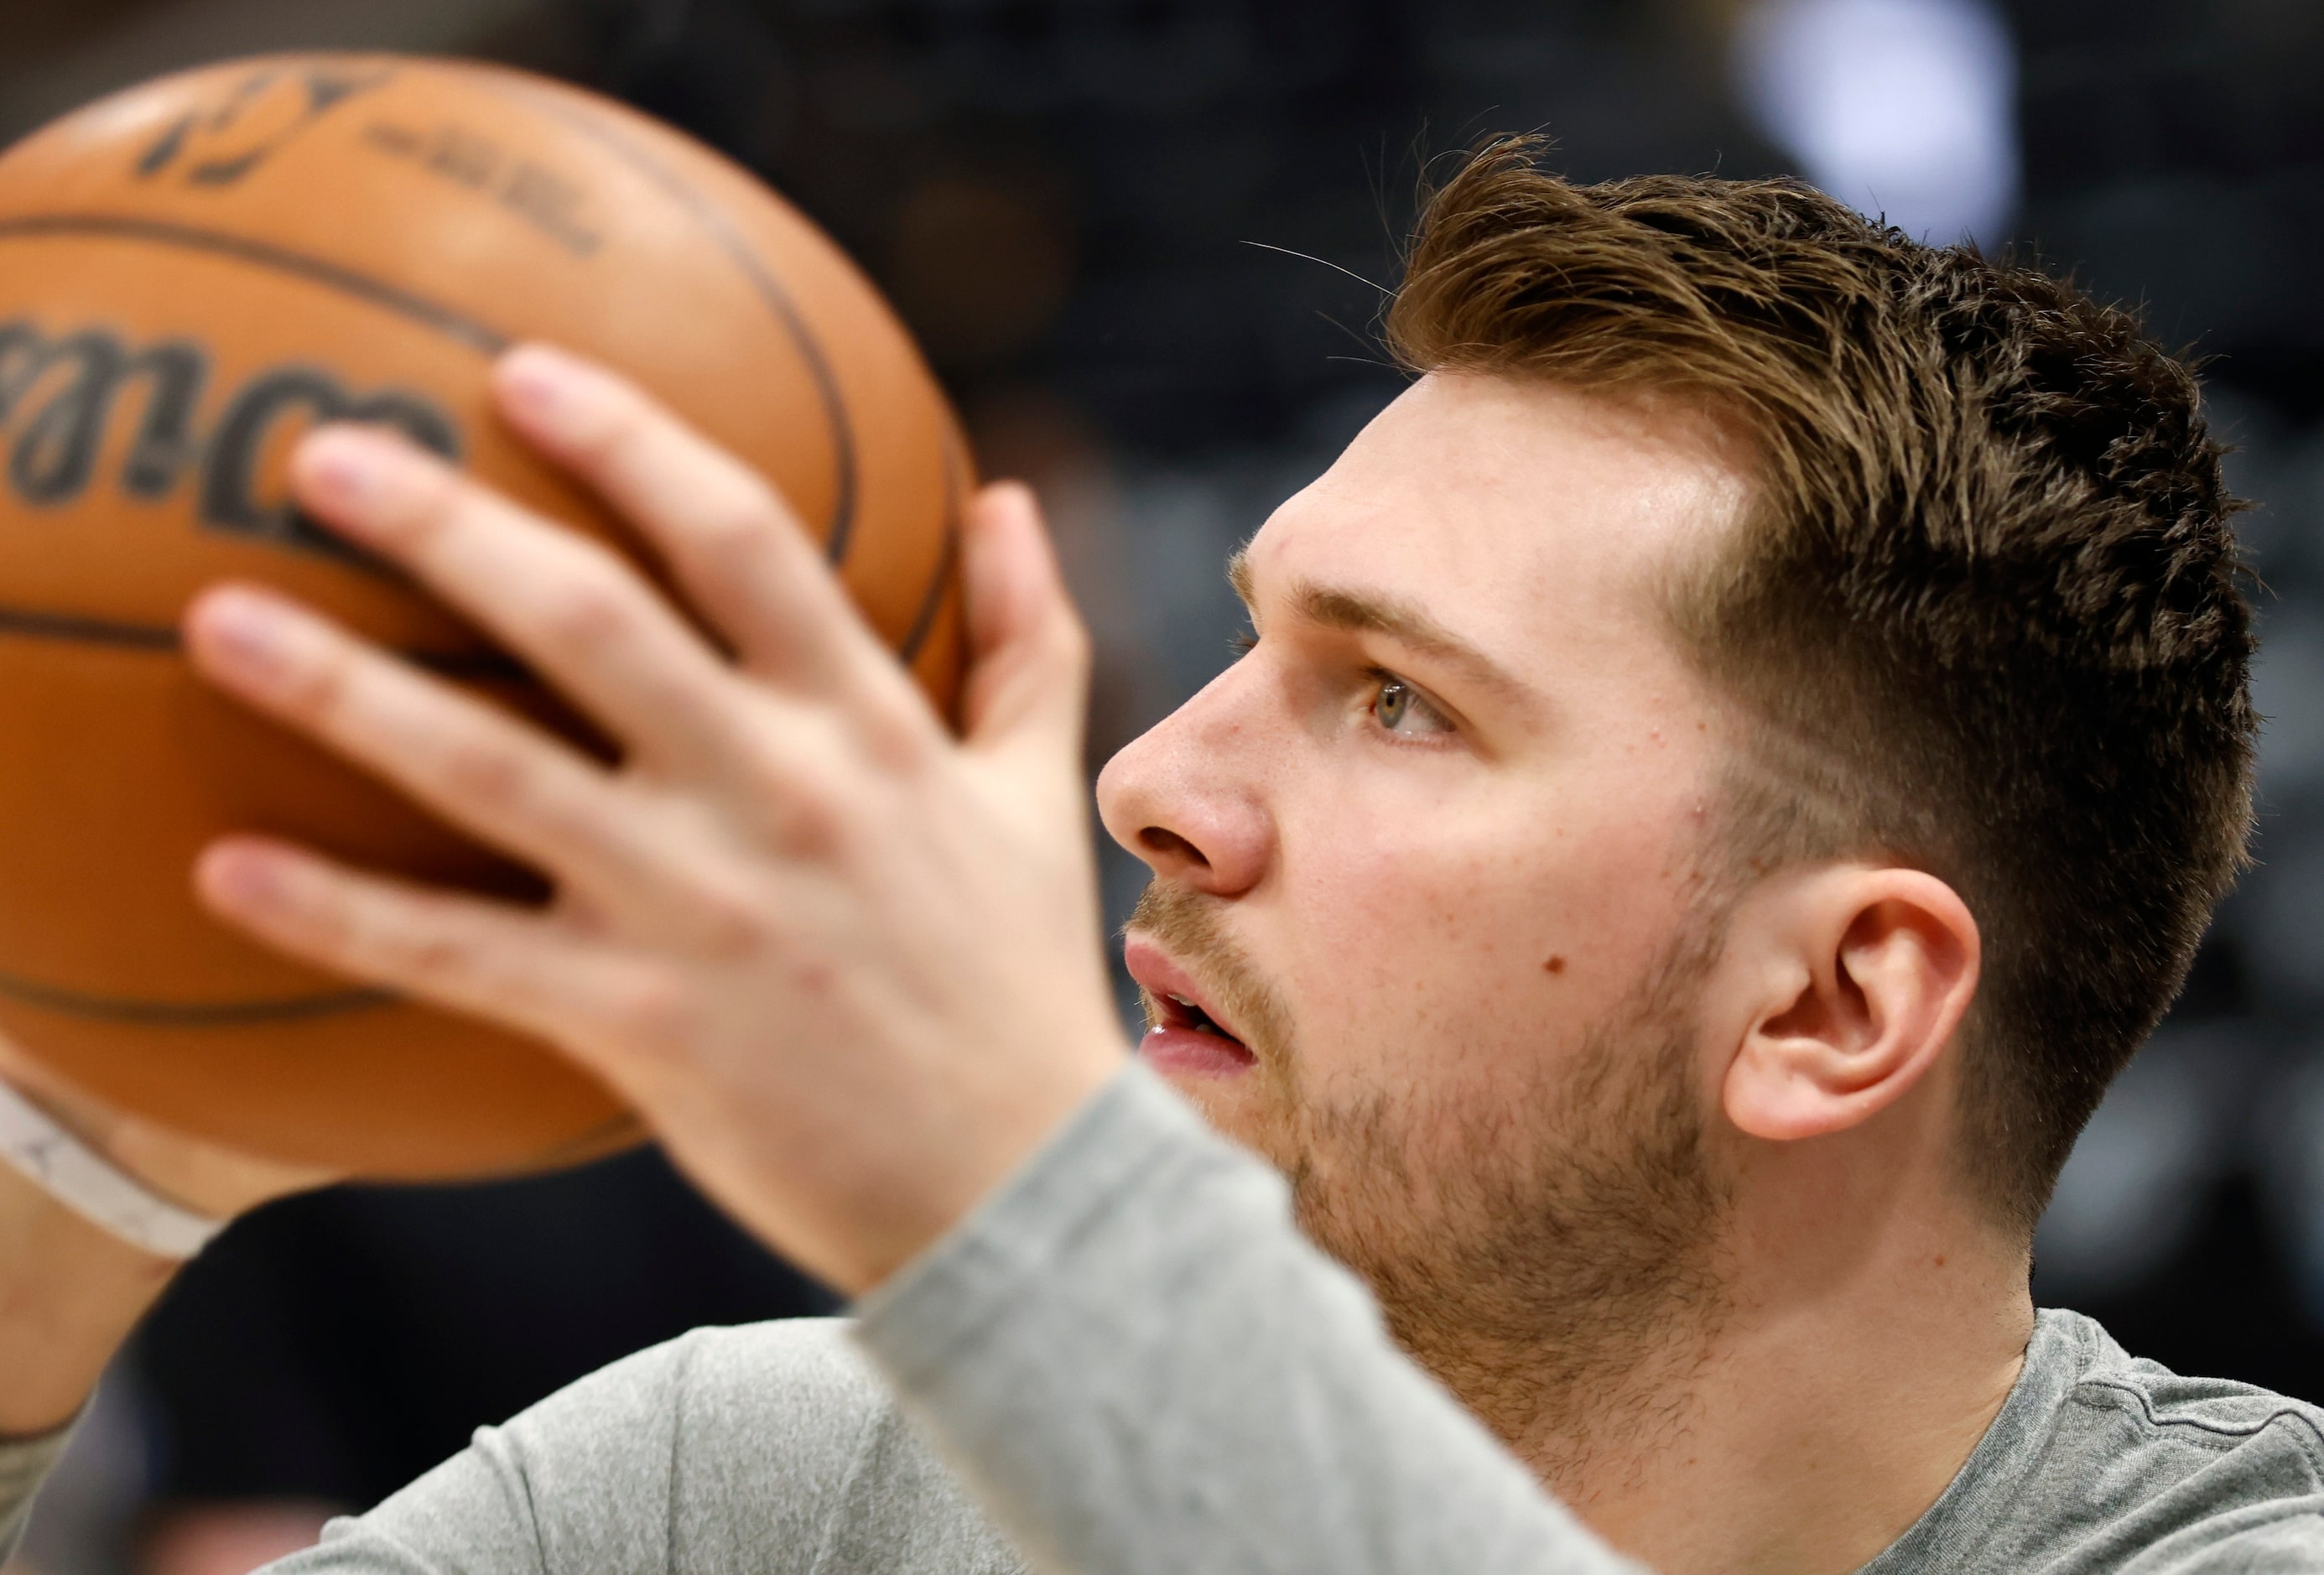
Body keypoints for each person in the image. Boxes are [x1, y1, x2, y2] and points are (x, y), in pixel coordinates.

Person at [0, 143, 2311, 1575]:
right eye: (1245, 646)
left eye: (1397, 699)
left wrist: (997, 1185)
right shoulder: (750, 1491)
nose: (1147, 778)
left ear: (1826, 1006)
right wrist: (54, 1194)